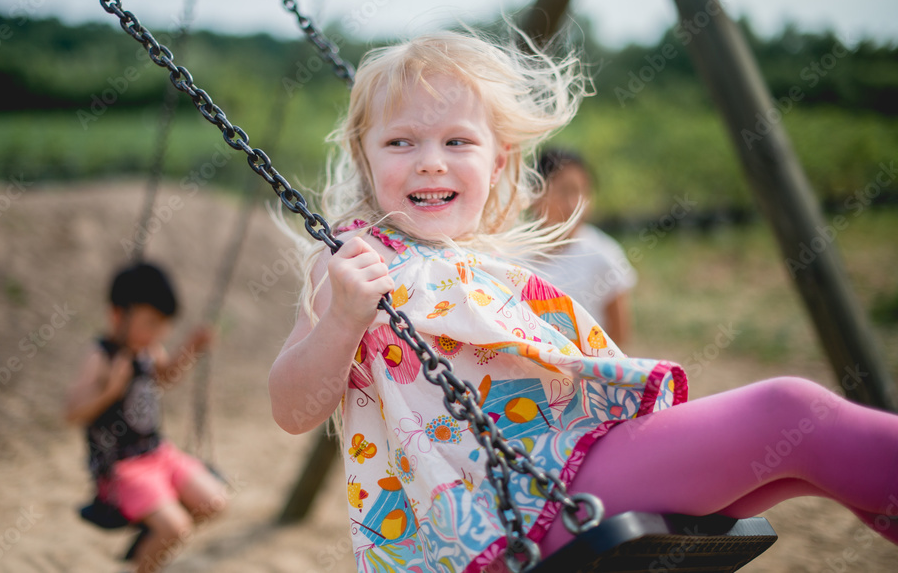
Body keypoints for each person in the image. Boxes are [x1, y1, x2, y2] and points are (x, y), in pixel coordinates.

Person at [267, 31, 898, 572]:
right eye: (401, 142)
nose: (431, 162)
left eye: (458, 142)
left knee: (790, 461)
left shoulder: (483, 264)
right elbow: (292, 409)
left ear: (499, 161)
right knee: (788, 414)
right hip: (516, 502)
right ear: (365, 157)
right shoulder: (353, 261)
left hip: (556, 479)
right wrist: (344, 320)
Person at [66, 262, 226, 573]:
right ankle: (147, 556)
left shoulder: (147, 349)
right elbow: (71, 412)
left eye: (163, 325)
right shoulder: (101, 356)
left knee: (214, 502)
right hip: (122, 468)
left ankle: (153, 530)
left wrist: (190, 349)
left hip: (157, 452)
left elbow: (164, 378)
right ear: (117, 315)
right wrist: (109, 390)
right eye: (151, 323)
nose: (158, 333)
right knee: (176, 529)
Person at [529, 147, 636, 346]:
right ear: (535, 193)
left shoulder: (603, 256)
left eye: (581, 192)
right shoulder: (512, 253)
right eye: (564, 191)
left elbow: (619, 336)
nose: (574, 204)